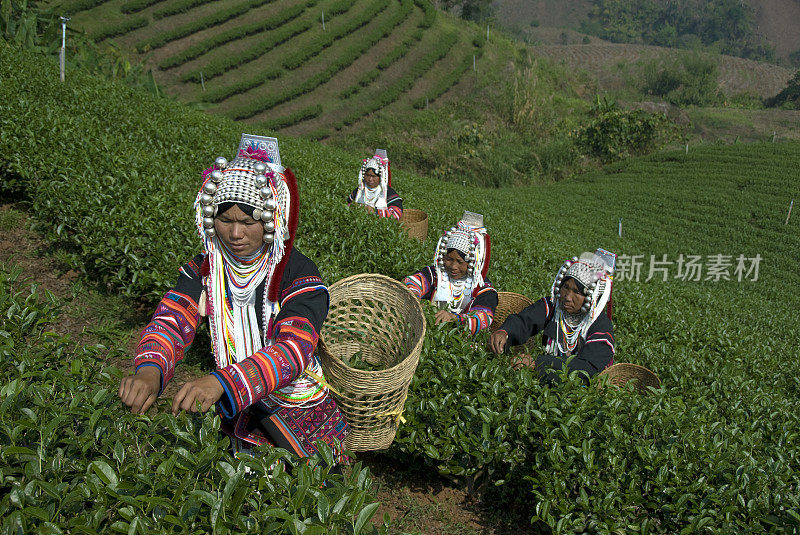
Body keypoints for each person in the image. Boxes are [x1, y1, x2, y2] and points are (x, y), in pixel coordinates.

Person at [118, 134, 349, 463]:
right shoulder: (206, 268)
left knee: (317, 493)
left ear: (271, 220)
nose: (235, 233)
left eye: (247, 221)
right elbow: (171, 320)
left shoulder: (298, 273)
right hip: (237, 404)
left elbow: (293, 349)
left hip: (296, 406)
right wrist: (150, 371)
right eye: (225, 220)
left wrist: (221, 384)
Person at [487, 249, 616, 384]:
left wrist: (538, 363)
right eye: (565, 287)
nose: (567, 297)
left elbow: (587, 367)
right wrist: (505, 331)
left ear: (591, 297)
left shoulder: (600, 327)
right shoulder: (554, 306)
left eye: (577, 292)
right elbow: (525, 320)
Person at [403, 211, 498, 335]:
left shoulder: (482, 287)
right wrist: (415, 298)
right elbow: (412, 282)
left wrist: (455, 319)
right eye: (448, 259)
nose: (453, 266)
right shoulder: (436, 274)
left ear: (472, 263)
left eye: (460, 261)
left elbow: (484, 317)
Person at [346, 150, 403, 219]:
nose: (370, 179)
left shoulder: (388, 193)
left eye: (374, 176)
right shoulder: (360, 190)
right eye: (368, 175)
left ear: (380, 177)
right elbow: (348, 205)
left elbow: (396, 214)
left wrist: (375, 212)